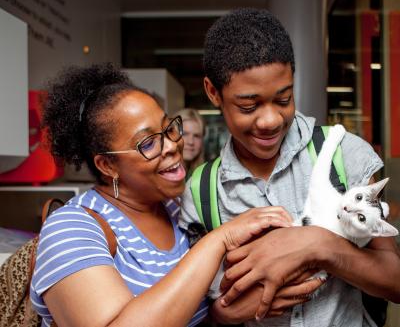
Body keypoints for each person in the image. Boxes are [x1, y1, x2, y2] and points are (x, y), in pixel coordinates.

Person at [179, 8, 400, 326]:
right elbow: (194, 307)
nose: (269, 121)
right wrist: (226, 312)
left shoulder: (342, 153)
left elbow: (394, 282)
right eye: (249, 106)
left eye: (283, 99)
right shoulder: (201, 191)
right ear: (213, 92)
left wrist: (317, 244)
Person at [29, 63, 295, 327]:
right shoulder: (70, 229)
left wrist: (225, 312)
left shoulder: (179, 209)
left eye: (168, 129)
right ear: (107, 165)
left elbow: (191, 310)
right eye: (147, 143)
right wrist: (218, 240)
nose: (172, 146)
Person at [174, 108, 206, 178]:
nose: (191, 142)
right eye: (185, 134)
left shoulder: (203, 175)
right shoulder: (162, 177)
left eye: (196, 136)